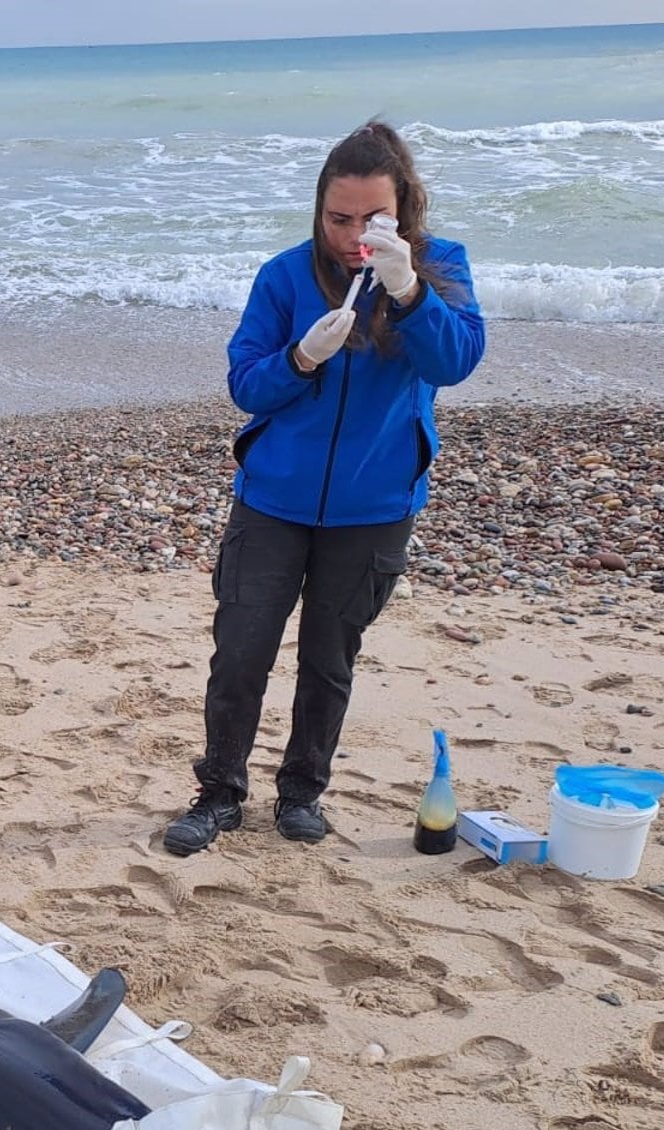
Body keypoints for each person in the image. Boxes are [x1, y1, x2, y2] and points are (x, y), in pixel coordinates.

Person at [164, 120, 485, 858]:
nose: (353, 236)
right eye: (338, 219)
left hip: (373, 506)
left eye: (372, 220)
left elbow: (456, 361)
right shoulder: (284, 276)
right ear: (318, 209)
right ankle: (218, 794)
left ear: (402, 210)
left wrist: (407, 292)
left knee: (329, 657)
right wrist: (301, 358)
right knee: (241, 651)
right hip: (274, 499)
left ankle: (302, 793)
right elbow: (247, 384)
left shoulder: (439, 266)